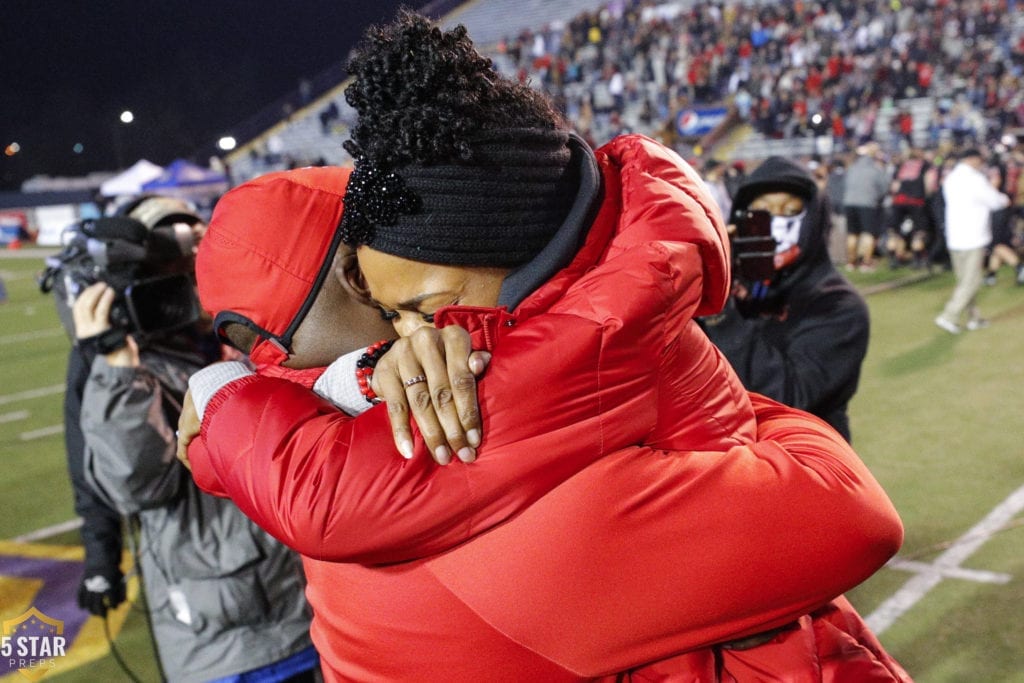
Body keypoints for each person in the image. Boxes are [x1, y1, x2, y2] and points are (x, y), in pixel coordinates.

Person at [180, 13, 907, 681]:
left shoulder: (357, 431)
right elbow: (845, 509)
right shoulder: (490, 443)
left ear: (520, 263)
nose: (411, 340)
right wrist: (658, 364)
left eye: (421, 310)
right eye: (395, 315)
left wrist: (234, 394)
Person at [64, 207, 318, 682]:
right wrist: (116, 367)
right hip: (221, 641)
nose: (198, 271)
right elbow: (134, 486)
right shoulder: (127, 366)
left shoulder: (244, 334)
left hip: (306, 610)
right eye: (182, 264)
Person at [50, 196, 204, 620]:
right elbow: (94, 467)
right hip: (200, 583)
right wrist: (101, 559)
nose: (186, 267)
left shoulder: (238, 317)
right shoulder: (114, 350)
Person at [701, 156, 870, 442]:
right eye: (762, 211)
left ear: (813, 219)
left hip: (802, 464)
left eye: (789, 211)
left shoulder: (839, 305)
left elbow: (790, 397)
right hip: (729, 461)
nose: (775, 222)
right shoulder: (736, 284)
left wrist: (722, 313)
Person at [934, 148, 1011, 333]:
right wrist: (1004, 199)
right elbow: (992, 200)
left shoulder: (952, 178)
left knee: (964, 281)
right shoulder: (975, 179)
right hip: (972, 235)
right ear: (972, 159)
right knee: (972, 281)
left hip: (955, 235)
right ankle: (949, 315)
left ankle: (973, 318)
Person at [843, 142, 890, 271]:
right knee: (868, 234)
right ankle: (866, 262)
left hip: (849, 203)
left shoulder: (852, 168)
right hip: (868, 204)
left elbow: (845, 184)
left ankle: (851, 263)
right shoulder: (875, 169)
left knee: (852, 233)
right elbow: (884, 188)